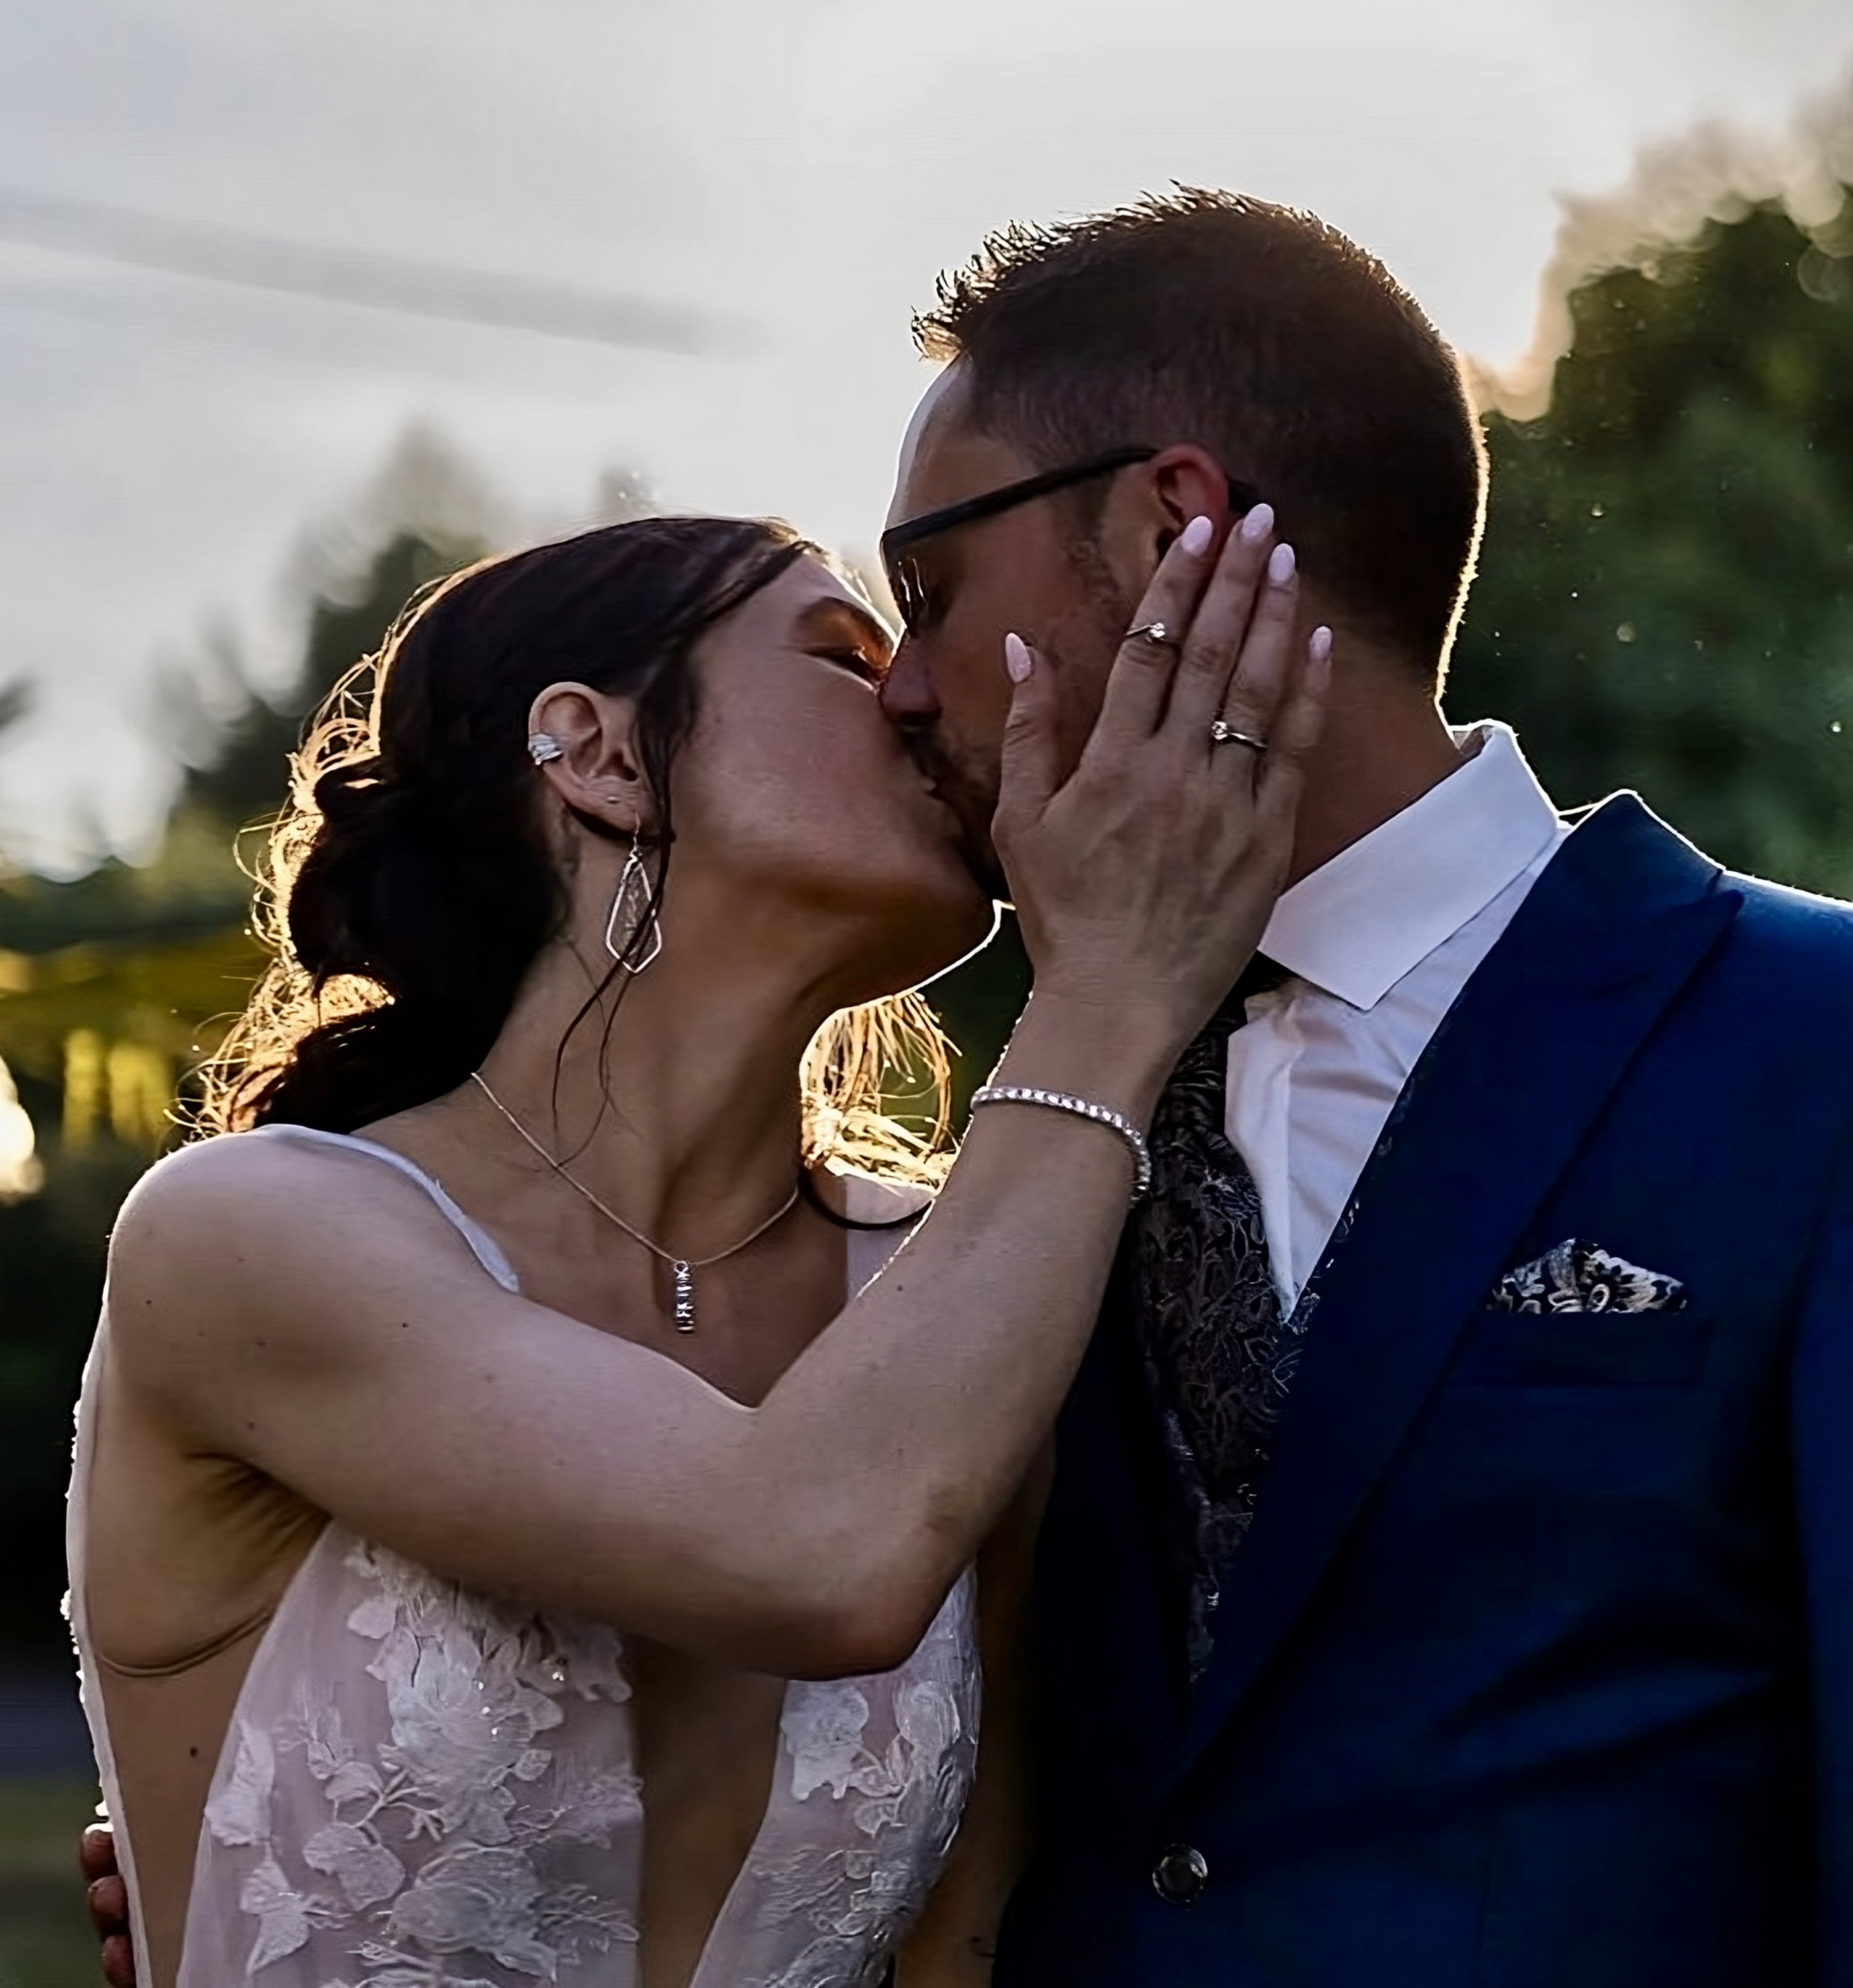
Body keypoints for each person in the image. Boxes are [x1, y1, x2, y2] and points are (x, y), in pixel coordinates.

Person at [67, 508, 1328, 1988]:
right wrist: (1112, 989)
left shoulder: (969, 1286)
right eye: (843, 654)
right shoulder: (254, 1233)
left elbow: (966, 1943)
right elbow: (816, 1556)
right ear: (598, 754)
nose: (920, 694)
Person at [873, 187, 1853, 1984]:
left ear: (1177, 526)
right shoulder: (1037, 1119)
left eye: (926, 587)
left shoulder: (1820, 1042)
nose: (903, 685)